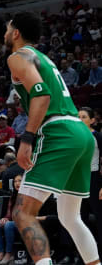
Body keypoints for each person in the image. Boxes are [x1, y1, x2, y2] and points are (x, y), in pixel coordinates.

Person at [4, 12, 99, 265]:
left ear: (15, 33)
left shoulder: (17, 56)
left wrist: (27, 139)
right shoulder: (43, 57)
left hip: (58, 132)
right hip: (80, 133)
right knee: (70, 218)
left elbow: (41, 95)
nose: (4, 34)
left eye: (7, 29)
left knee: (23, 213)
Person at [78, 107, 102, 259]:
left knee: (99, 217)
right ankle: (82, 255)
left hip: (94, 179)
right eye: (78, 116)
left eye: (84, 117)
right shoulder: (73, 137)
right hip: (78, 180)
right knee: (80, 219)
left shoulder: (97, 136)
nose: (80, 120)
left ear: (92, 120)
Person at [0, 175, 22, 264]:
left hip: (25, 222)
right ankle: (1, 254)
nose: (17, 183)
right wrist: (5, 218)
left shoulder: (28, 196)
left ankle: (9, 253)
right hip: (13, 222)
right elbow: (9, 214)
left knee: (9, 225)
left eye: (19, 181)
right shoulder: (13, 196)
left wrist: (10, 221)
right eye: (15, 181)